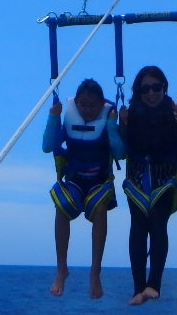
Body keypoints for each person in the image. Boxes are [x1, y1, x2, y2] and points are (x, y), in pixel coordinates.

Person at [119, 65, 177, 306]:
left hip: (165, 178)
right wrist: (120, 122)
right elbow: (121, 148)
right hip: (136, 178)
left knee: (158, 223)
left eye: (156, 87)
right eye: (145, 89)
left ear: (164, 88)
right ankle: (138, 288)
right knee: (138, 228)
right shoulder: (130, 114)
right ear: (138, 91)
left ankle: (154, 285)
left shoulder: (173, 113)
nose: (151, 93)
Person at [42, 78, 124, 298]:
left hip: (99, 181)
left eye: (93, 105)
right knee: (61, 208)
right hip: (75, 180)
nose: (88, 110)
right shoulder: (68, 117)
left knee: (99, 208)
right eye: (83, 105)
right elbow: (47, 146)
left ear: (101, 104)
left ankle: (95, 272)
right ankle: (61, 270)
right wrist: (53, 117)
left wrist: (112, 126)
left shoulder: (108, 118)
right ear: (76, 103)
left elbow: (120, 153)